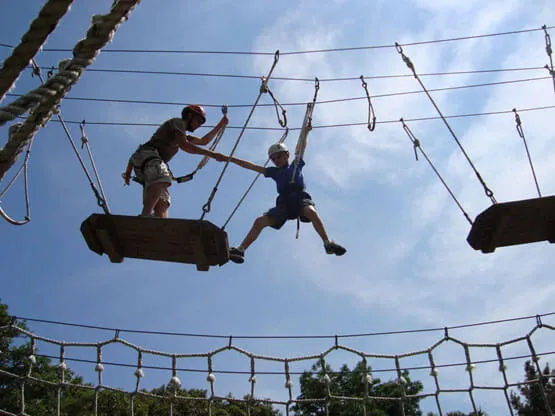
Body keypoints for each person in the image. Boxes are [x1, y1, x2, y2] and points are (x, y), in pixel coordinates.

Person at [217, 142, 346, 264]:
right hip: (284, 204)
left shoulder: (296, 165)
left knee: (310, 211)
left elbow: (301, 146)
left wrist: (306, 130)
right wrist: (230, 158)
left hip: (300, 199)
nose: (276, 160)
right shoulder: (274, 172)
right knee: (259, 221)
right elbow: (251, 166)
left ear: (287, 155)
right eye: (273, 159)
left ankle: (327, 243)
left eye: (278, 156)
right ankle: (241, 250)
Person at [122, 105, 228, 218]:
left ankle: (159, 224)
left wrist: (220, 125)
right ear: (190, 115)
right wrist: (213, 154)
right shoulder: (178, 123)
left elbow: (203, 141)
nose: (199, 125)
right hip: (148, 157)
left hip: (148, 163)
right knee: (162, 179)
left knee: (163, 200)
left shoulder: (182, 134)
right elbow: (184, 146)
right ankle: (145, 216)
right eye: (198, 121)